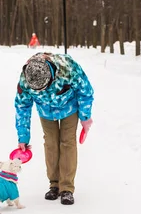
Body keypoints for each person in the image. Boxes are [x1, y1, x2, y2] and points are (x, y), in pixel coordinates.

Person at [14, 52, 94, 205]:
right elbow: (22, 106)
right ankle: (54, 185)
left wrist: (84, 117)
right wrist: (23, 136)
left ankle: (67, 188)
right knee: (51, 143)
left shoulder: (67, 68)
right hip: (45, 111)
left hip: (69, 107)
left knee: (67, 142)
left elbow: (85, 91)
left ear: (51, 78)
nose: (41, 92)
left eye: (44, 88)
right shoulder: (25, 79)